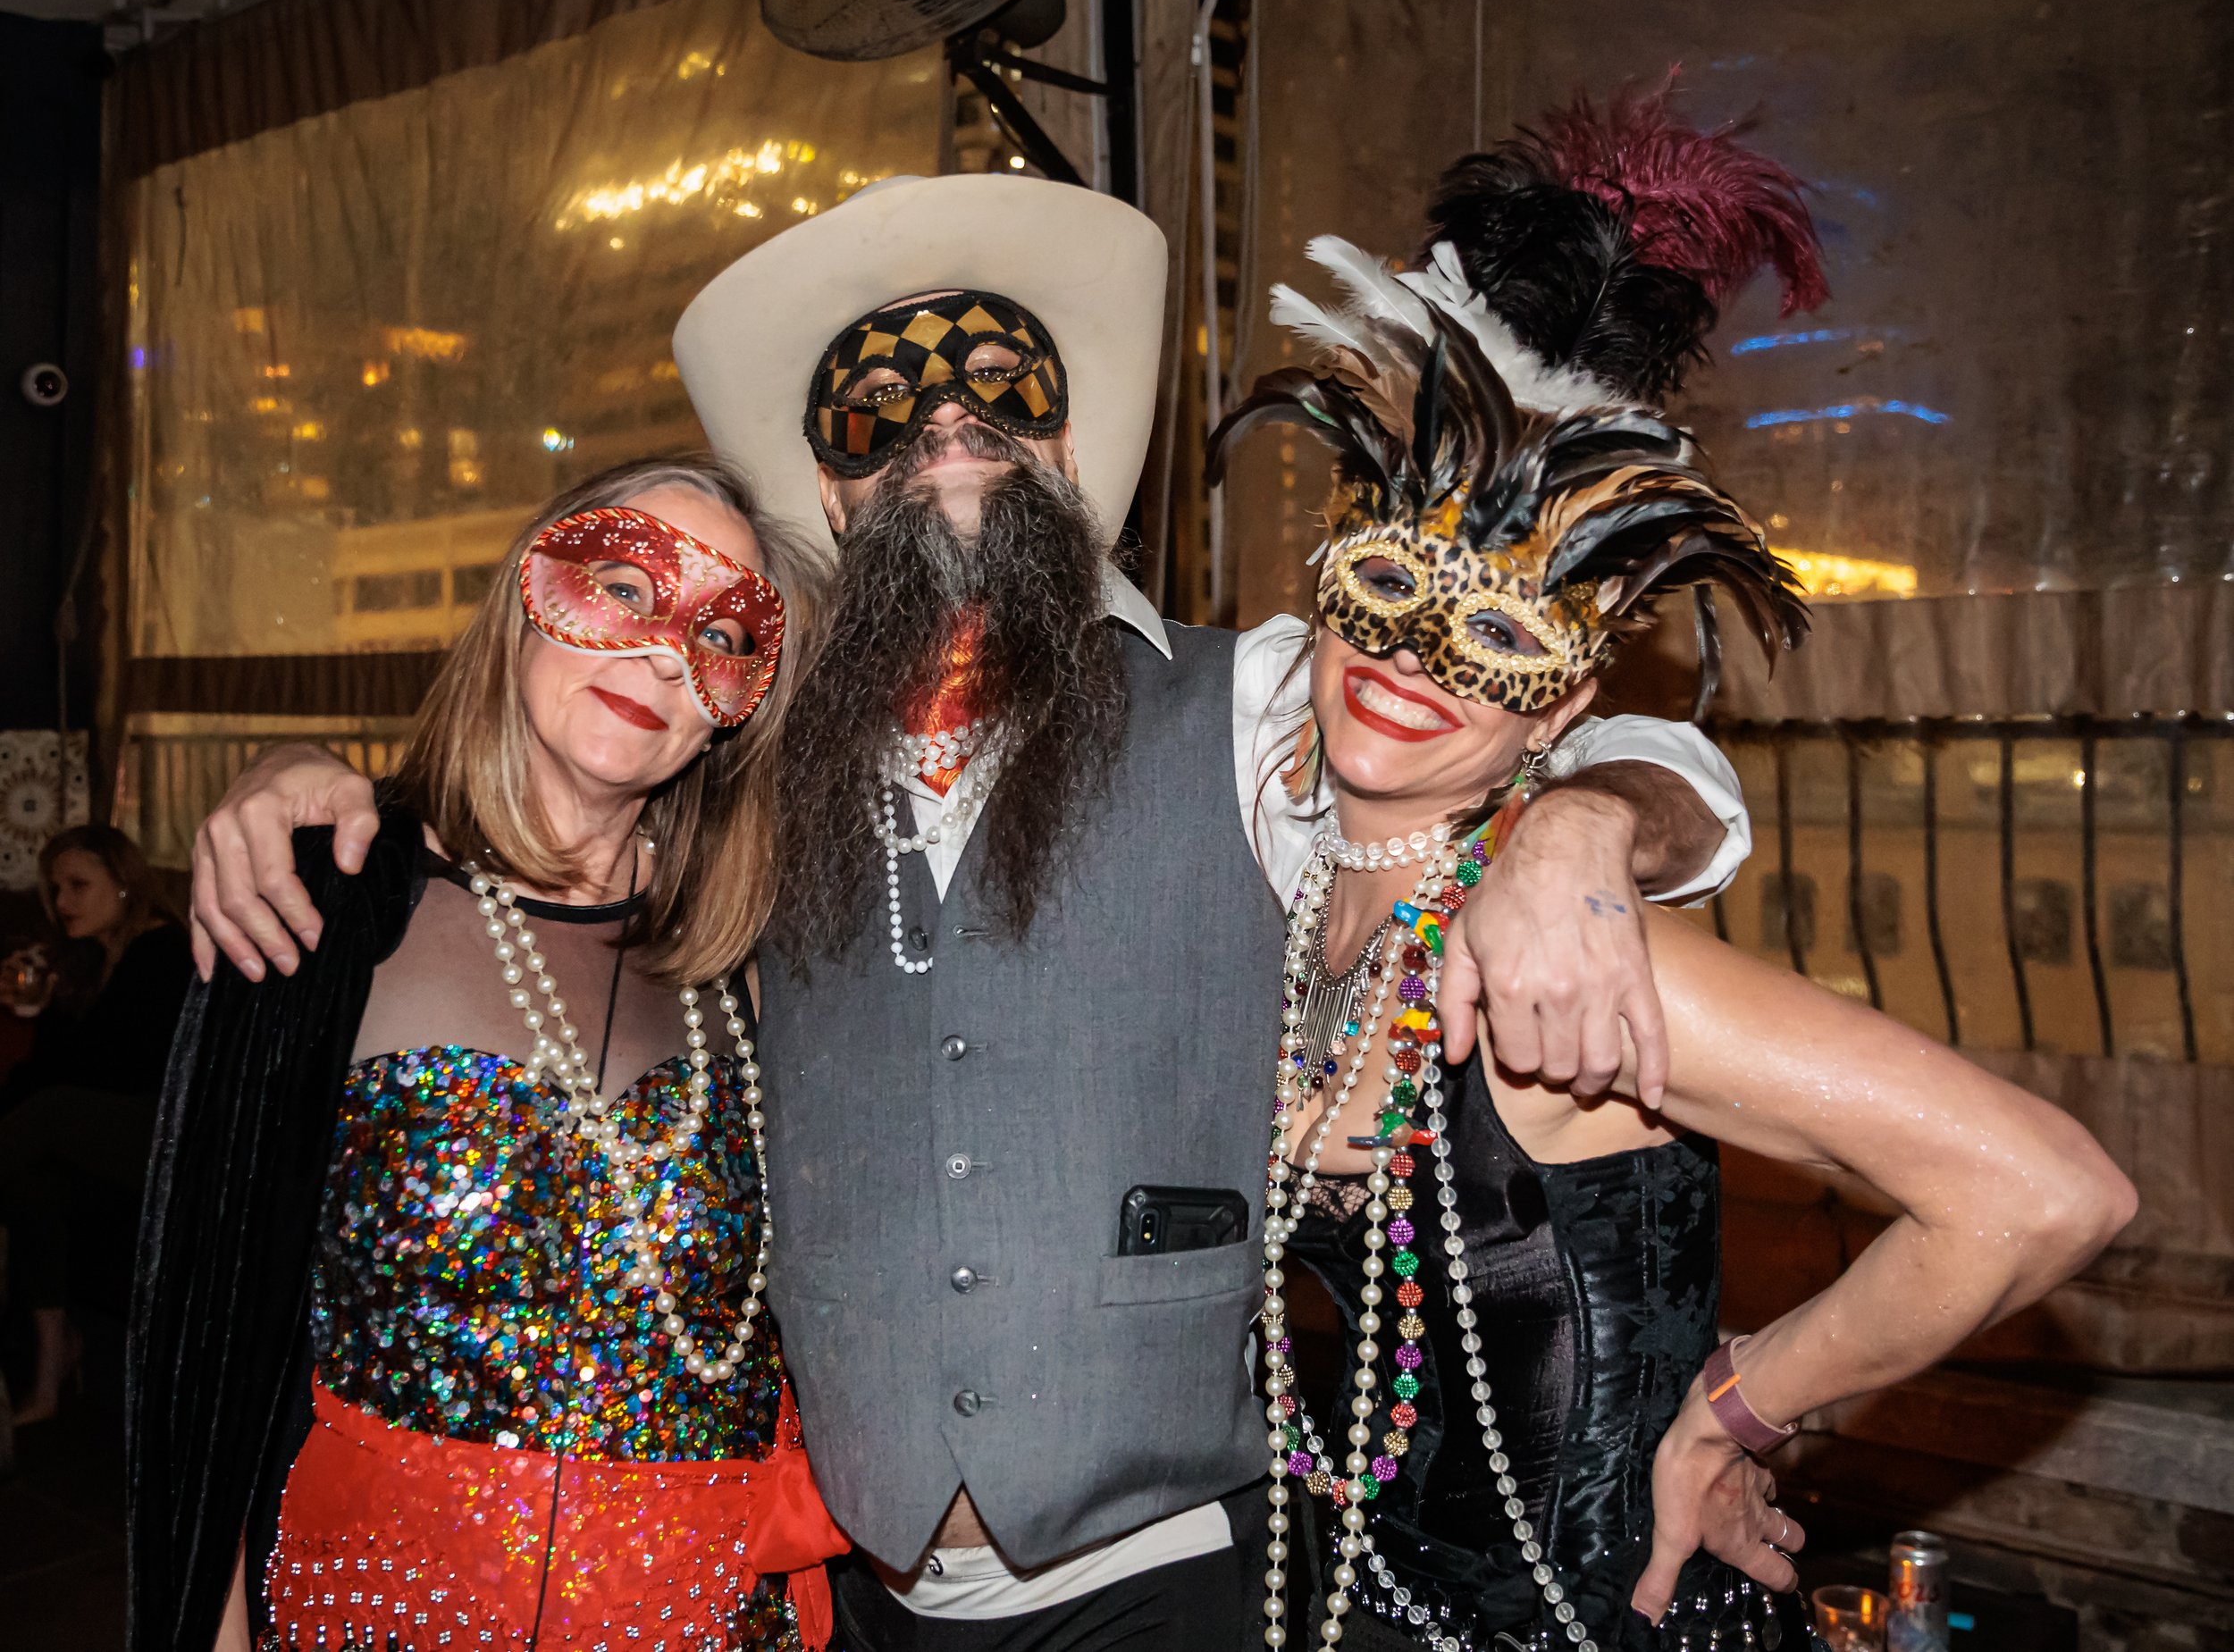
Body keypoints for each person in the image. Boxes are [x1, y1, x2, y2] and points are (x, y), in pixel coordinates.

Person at [185, 174, 1757, 1651]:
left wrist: (1582, 824)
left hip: (1167, 1570)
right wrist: (306, 776)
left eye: (1005, 394)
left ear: (1071, 453)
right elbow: (545, 812)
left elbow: (1530, 704)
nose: (947, 426)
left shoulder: (1243, 704)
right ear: (832, 482)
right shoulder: (752, 758)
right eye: (883, 408)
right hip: (856, 1595)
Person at [1214, 96, 2138, 1651]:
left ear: (1568, 702)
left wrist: (1736, 1413)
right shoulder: (1302, 882)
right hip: (1371, 1599)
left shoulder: (1567, 952)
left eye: (1500, 632)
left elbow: (2041, 1194)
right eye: (1387, 586)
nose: (1417, 656)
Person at [127, 457, 848, 1652]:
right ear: (528, 591)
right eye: (621, 586)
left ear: (741, 700)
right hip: (373, 1609)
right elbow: (207, 1336)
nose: (663, 651)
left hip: (704, 1620)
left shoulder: (769, 954)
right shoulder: (324, 900)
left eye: (721, 632)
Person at [0, 825, 192, 1426]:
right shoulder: (86, 960)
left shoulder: (163, 951)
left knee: (50, 1114)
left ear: (127, 886)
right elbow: (51, 1075)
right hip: (100, 1134)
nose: (63, 903)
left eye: (79, 885)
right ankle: (55, 1362)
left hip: (166, 1134)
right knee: (32, 1180)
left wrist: (51, 1017)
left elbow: (115, 1072)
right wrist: (40, 1012)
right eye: (57, 889)